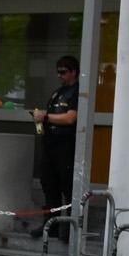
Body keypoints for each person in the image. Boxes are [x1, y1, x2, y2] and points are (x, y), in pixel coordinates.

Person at [34, 55, 79, 239]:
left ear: (74, 72)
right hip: (50, 144)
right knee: (49, 185)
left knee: (67, 187)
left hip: (66, 145)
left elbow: (70, 118)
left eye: (63, 72)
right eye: (58, 72)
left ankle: (69, 228)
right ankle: (50, 225)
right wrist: (41, 117)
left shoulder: (77, 92)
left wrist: (45, 117)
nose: (60, 75)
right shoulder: (57, 93)